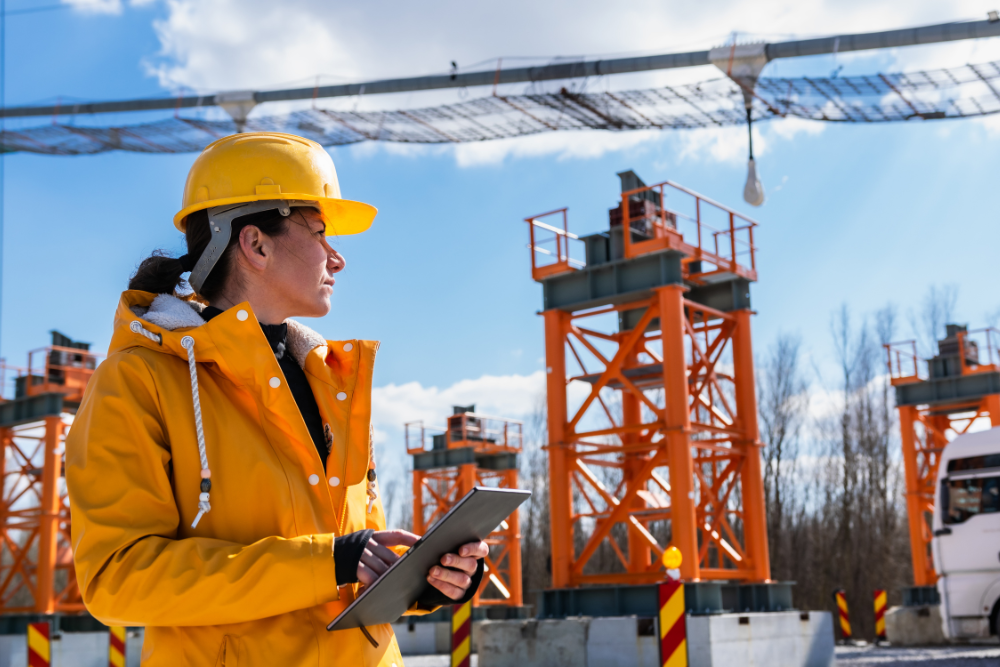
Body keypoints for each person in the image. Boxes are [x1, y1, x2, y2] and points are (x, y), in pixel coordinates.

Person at [66, 132, 487, 666]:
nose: (337, 260)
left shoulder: (330, 381)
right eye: (318, 233)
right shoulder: (137, 382)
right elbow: (117, 578)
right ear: (256, 244)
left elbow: (354, 555)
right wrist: (329, 562)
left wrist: (422, 581)